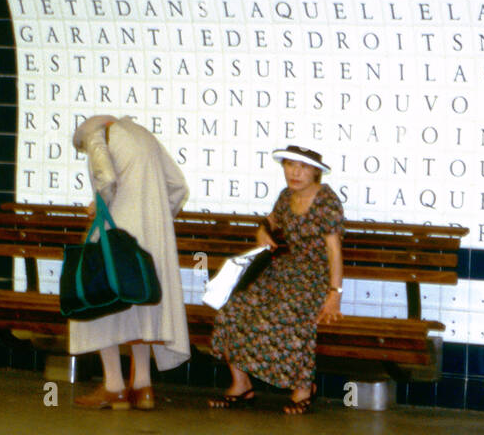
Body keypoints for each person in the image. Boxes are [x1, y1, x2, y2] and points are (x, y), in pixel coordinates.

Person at [208, 144, 344, 414]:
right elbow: (270, 221)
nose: (295, 172)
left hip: (314, 278)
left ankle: (304, 388)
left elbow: (334, 250)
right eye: (290, 165)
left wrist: (334, 293)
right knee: (231, 308)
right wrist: (262, 230)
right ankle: (241, 385)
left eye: (303, 166)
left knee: (288, 316)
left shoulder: (327, 201)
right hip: (284, 271)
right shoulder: (286, 196)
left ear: (316, 172)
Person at [69, 115, 190, 410]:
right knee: (140, 305)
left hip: (117, 231)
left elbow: (106, 179)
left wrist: (98, 204)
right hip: (152, 238)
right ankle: (143, 387)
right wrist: (158, 216)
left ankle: (114, 387)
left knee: (99, 302)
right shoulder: (144, 135)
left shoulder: (98, 136)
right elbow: (178, 186)